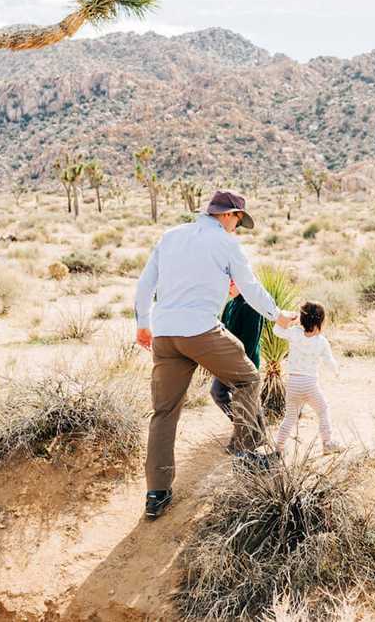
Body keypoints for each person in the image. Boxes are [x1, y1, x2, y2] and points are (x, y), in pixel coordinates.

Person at [134, 190, 297, 520]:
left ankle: (157, 492)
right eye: (238, 220)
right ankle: (247, 452)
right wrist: (277, 315)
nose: (237, 227)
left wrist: (143, 324)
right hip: (200, 330)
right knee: (247, 377)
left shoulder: (170, 236)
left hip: (165, 332)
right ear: (229, 214)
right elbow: (250, 288)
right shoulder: (226, 243)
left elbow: (144, 285)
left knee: (164, 411)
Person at [272, 301, 342, 453]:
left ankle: (279, 447)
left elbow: (276, 330)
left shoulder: (294, 333)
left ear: (302, 320)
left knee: (290, 417)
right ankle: (327, 443)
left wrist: (290, 319)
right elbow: (329, 360)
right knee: (322, 410)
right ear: (321, 322)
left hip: (293, 383)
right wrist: (336, 371)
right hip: (310, 384)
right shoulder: (321, 342)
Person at [210, 279, 263, 421]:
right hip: (226, 361)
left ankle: (251, 431)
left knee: (247, 401)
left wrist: (242, 364)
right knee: (217, 392)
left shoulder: (252, 307)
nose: (228, 287)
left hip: (245, 362)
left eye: (231, 283)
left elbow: (251, 341)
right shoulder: (229, 305)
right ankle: (243, 424)